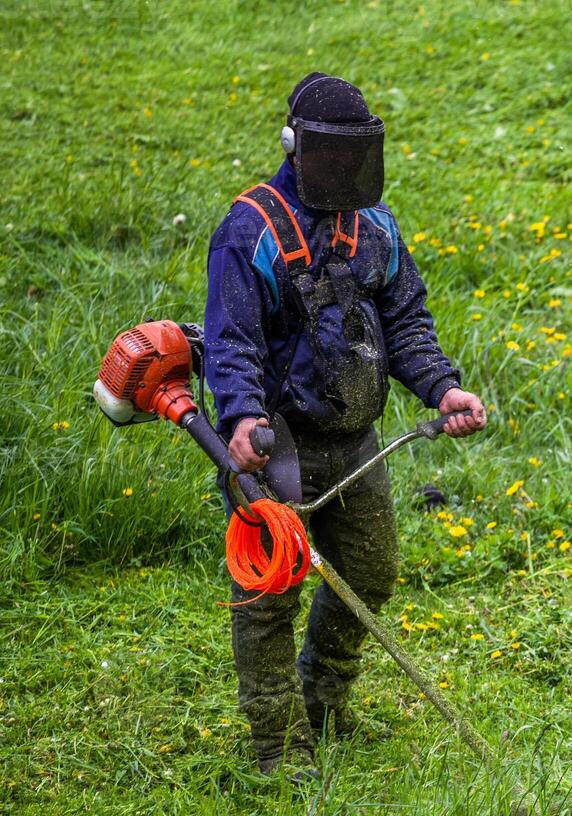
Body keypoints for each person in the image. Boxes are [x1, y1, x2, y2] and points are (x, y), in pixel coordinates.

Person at [202, 72, 486, 776]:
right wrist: (239, 419)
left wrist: (442, 389)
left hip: (355, 442)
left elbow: (406, 320)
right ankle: (278, 746)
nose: (343, 170)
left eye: (354, 156)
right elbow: (231, 340)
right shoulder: (251, 231)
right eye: (330, 156)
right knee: (269, 599)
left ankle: (323, 701)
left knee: (370, 572)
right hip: (277, 448)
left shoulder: (375, 226)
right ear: (297, 149)